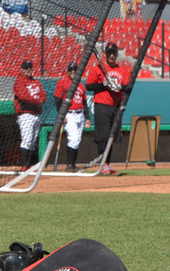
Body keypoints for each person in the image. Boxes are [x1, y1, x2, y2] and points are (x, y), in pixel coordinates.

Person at [85, 42, 130, 176]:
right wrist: (104, 85)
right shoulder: (97, 69)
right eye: (109, 53)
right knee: (103, 135)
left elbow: (128, 87)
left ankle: (107, 165)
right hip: (101, 105)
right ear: (105, 55)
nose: (111, 55)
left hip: (116, 107)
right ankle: (103, 164)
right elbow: (89, 86)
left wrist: (118, 87)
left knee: (112, 136)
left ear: (117, 54)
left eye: (113, 53)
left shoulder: (123, 70)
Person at [54, 62, 91, 172]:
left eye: (75, 71)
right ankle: (69, 165)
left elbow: (84, 103)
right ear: (67, 72)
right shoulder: (62, 83)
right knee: (73, 139)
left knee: (77, 140)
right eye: (71, 71)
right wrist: (61, 115)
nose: (73, 73)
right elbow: (57, 100)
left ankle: (73, 165)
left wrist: (88, 118)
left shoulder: (81, 85)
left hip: (80, 114)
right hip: (69, 114)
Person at [13, 60, 47, 171]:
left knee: (33, 141)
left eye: (30, 68)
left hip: (36, 114)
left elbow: (43, 96)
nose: (29, 70)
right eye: (26, 68)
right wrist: (37, 101)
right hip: (25, 114)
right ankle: (24, 165)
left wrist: (38, 101)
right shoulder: (19, 81)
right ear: (22, 69)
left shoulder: (36, 81)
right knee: (27, 140)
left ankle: (29, 164)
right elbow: (23, 97)